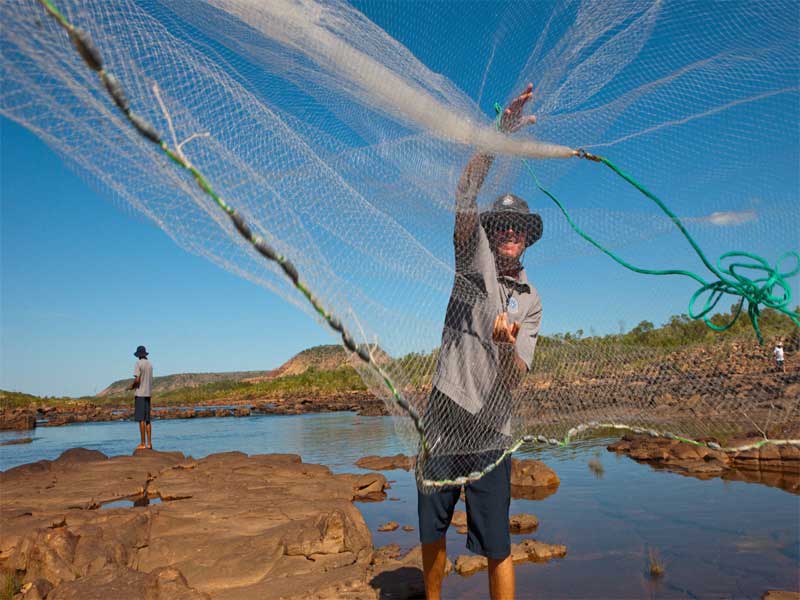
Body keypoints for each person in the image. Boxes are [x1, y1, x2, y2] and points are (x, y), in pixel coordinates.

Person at [418, 84, 543, 600]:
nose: (510, 232)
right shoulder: (471, 258)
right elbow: (464, 193)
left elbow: (516, 378)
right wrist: (498, 137)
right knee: (432, 530)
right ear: (492, 232)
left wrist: (504, 344)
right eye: (504, 225)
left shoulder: (532, 300)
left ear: (526, 237)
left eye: (519, 227)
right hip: (447, 413)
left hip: (493, 429)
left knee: (497, 544)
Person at [128, 345, 154, 449]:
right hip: (148, 394)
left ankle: (143, 444)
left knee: (141, 419)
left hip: (140, 394)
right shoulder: (150, 364)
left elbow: (137, 380)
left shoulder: (138, 363)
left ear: (138, 355)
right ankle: (149, 443)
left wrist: (131, 386)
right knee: (147, 420)